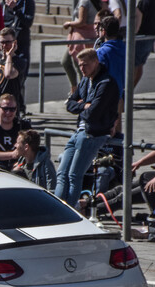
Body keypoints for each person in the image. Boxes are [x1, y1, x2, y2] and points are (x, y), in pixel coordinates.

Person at [56, 48, 119, 208]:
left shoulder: (106, 83)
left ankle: (69, 211)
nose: (82, 69)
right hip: (79, 131)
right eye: (80, 65)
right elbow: (69, 104)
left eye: (85, 65)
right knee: (62, 173)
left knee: (74, 174)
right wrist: (84, 105)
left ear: (96, 62)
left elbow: (93, 114)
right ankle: (58, 208)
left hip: (93, 134)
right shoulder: (85, 80)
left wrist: (81, 106)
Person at [61, 0, 101, 95]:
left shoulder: (85, 2)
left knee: (81, 67)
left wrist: (69, 24)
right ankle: (75, 89)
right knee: (66, 62)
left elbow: (81, 21)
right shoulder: (97, 2)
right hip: (89, 37)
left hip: (81, 39)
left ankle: (82, 94)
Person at [0, 27, 26, 117]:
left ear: (14, 43)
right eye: (1, 42)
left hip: (10, 111)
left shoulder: (19, 62)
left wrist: (9, 56)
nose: (4, 46)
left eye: (7, 42)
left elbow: (8, 74)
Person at [96, 15, 125, 134]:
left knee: (106, 129)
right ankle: (119, 151)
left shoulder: (102, 52)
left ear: (103, 31)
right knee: (117, 126)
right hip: (120, 93)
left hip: (105, 95)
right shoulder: (124, 47)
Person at [134, 0, 155, 88]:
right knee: (139, 65)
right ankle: (129, 93)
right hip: (151, 34)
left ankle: (127, 94)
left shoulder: (145, 2)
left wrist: (135, 31)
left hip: (142, 35)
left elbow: (140, 15)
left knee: (134, 65)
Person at [2, 0, 34, 76]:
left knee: (21, 74)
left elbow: (28, 22)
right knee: (6, 73)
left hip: (22, 43)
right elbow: (2, 21)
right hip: (7, 44)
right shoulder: (5, 3)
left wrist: (16, 9)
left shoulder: (27, 2)